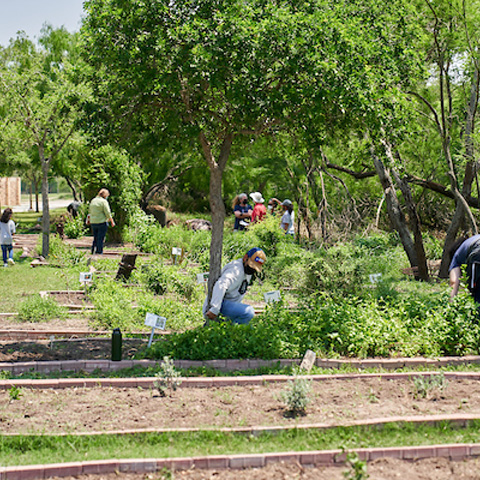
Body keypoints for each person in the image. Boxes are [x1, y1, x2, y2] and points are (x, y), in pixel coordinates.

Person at [203, 247, 267, 325]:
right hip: (220, 304)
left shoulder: (246, 271)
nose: (252, 269)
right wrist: (214, 309)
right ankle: (231, 332)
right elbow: (221, 285)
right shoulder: (235, 270)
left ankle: (228, 330)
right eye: (251, 266)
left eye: (255, 268)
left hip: (228, 305)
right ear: (245, 258)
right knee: (248, 312)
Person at [449, 235, 480, 303]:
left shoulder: (457, 255)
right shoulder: (468, 243)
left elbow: (453, 282)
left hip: (477, 254)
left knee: (476, 293)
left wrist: (450, 305)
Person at [89, 188, 115, 254]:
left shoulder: (93, 200)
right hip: (101, 222)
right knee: (100, 238)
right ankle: (99, 252)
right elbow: (107, 212)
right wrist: (111, 221)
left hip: (93, 222)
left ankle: (93, 250)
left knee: (95, 237)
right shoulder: (103, 202)